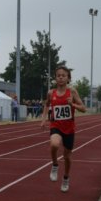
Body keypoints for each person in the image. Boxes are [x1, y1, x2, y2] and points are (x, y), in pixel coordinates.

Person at [40, 65, 86, 193]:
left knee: (67, 157)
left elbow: (83, 108)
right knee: (54, 144)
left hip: (69, 129)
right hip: (56, 125)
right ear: (55, 78)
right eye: (58, 75)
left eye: (63, 75)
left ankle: (66, 178)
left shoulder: (72, 92)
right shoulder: (51, 93)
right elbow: (47, 105)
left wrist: (73, 104)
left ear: (68, 78)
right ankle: (55, 165)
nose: (60, 78)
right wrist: (44, 119)